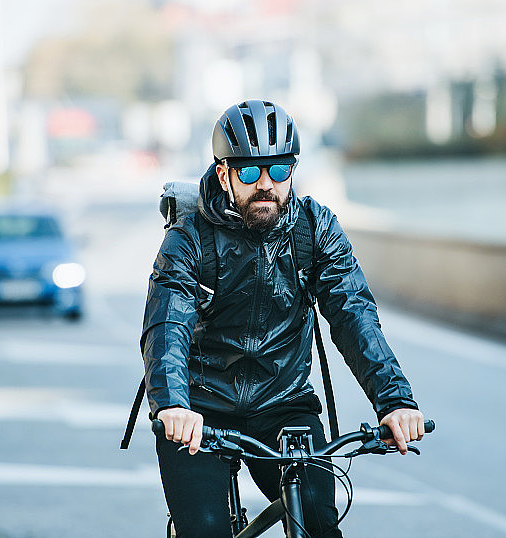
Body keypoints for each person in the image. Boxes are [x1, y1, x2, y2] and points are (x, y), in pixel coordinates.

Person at [141, 99, 424, 538]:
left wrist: (395, 401)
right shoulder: (189, 238)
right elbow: (167, 328)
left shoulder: (315, 229)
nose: (266, 185)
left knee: (317, 525)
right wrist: (174, 404)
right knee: (206, 531)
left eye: (278, 171)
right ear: (224, 174)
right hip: (201, 409)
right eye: (251, 173)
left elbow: (354, 314)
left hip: (285, 404)